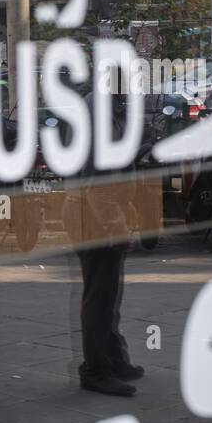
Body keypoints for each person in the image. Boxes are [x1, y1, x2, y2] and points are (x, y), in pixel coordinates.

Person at [64, 93, 144, 398]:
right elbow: (99, 184)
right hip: (93, 215)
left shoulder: (102, 106)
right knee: (100, 296)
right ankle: (95, 370)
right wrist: (118, 227)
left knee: (109, 293)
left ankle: (112, 359)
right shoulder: (98, 113)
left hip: (94, 210)